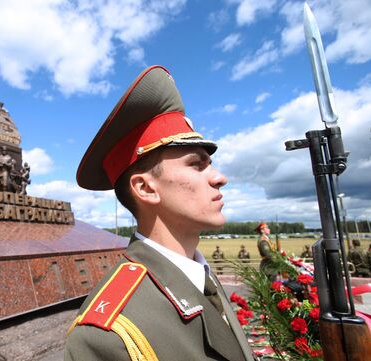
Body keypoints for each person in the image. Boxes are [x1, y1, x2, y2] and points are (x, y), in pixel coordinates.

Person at [64, 66, 254, 361]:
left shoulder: (198, 275)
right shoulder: (110, 334)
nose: (219, 178)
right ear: (146, 188)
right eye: (196, 164)